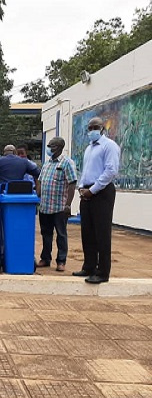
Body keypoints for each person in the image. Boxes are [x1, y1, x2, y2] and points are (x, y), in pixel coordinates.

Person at [73, 116, 121, 284]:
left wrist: (92, 190)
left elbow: (110, 171)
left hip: (101, 192)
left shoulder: (109, 146)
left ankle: (102, 271)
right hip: (86, 192)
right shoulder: (89, 148)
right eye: (90, 128)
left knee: (102, 232)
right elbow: (85, 171)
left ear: (102, 129)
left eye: (95, 127)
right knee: (87, 232)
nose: (91, 131)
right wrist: (81, 187)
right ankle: (89, 266)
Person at [36, 137, 77, 272]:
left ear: (59, 147)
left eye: (51, 146)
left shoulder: (67, 163)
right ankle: (45, 258)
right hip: (45, 206)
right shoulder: (47, 164)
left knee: (61, 234)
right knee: (46, 234)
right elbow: (40, 180)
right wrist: (37, 195)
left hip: (59, 206)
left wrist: (68, 204)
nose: (48, 148)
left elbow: (72, 184)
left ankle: (61, 261)